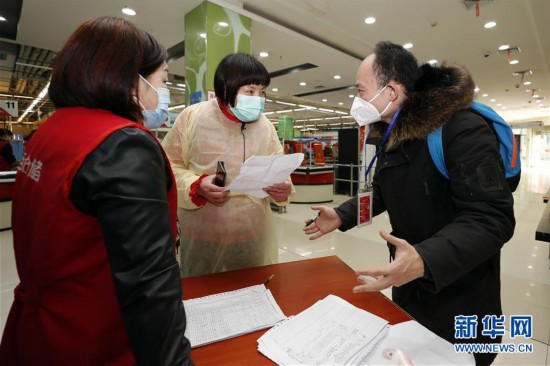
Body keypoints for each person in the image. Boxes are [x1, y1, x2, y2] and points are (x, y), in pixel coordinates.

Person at [303, 41, 514, 365]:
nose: (356, 101)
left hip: (463, 297)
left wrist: (426, 258)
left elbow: (492, 217)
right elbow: (385, 190)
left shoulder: (460, 129)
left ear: (390, 91)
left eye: (361, 91)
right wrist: (342, 215)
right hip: (408, 286)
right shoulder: (389, 135)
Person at [0, 17, 193, 366]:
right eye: (163, 81)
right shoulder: (123, 145)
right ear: (132, 81)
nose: (164, 94)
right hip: (100, 341)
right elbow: (148, 285)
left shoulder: (51, 131)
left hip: (42, 329)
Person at [162, 52, 293, 277]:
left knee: (253, 291)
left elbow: (279, 169)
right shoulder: (193, 117)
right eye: (250, 91)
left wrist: (283, 189)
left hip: (253, 234)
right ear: (226, 89)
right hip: (203, 234)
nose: (258, 99)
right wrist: (197, 185)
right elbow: (167, 165)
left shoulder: (266, 127)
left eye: (262, 92)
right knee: (204, 297)